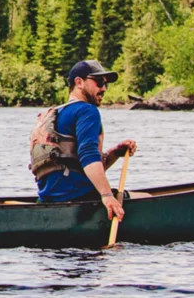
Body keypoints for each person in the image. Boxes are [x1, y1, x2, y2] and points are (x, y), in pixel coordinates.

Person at [29, 59, 138, 221]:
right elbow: (88, 155)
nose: (103, 88)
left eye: (106, 84)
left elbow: (83, 166)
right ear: (79, 82)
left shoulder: (55, 114)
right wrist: (107, 196)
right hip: (80, 198)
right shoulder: (87, 111)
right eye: (99, 82)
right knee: (146, 197)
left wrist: (115, 153)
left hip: (49, 200)